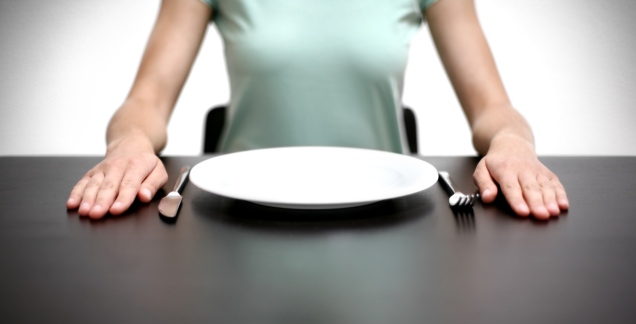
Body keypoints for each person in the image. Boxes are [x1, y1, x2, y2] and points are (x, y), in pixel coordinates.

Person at [66, 0, 569, 220]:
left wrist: (513, 143)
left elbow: (494, 108)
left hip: (386, 224)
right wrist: (128, 141)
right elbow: (146, 100)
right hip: (236, 221)